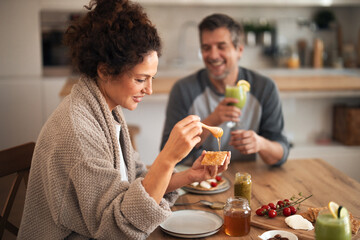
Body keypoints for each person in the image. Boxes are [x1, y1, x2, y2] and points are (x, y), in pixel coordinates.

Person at [18, 1, 230, 239]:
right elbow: (115, 229)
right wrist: (169, 156)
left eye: (151, 78)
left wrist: (188, 176)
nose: (149, 89)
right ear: (104, 70)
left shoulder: (104, 109)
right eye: (140, 79)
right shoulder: (78, 131)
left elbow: (136, 183)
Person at [160, 13, 289, 167]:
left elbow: (280, 155)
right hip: (199, 181)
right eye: (206, 48)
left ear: (239, 50)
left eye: (222, 46)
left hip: (247, 179)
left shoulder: (265, 88)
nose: (213, 55)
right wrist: (211, 121)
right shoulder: (183, 90)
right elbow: (167, 155)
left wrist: (260, 144)